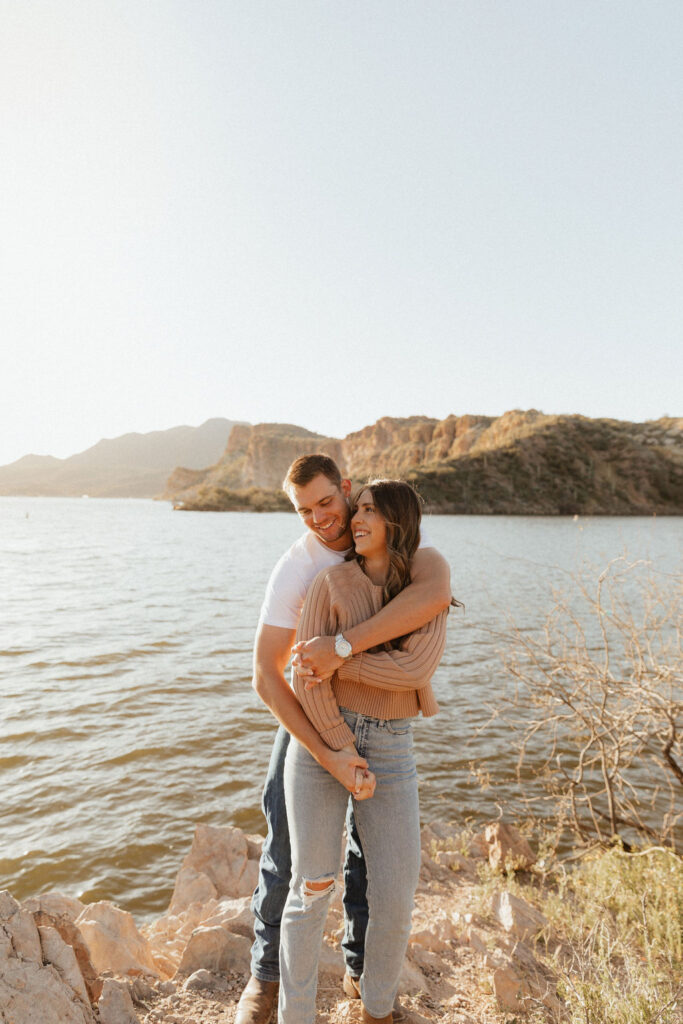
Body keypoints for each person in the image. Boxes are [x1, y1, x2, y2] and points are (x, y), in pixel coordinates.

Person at [237, 455, 451, 1024]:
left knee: (375, 869)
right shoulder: (303, 570)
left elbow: (420, 628)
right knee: (291, 856)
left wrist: (339, 653)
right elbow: (269, 674)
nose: (320, 518)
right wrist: (328, 748)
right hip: (307, 720)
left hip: (382, 732)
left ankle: (362, 977)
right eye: (304, 510)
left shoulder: (411, 562)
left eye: (327, 503)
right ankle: (266, 980)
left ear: (348, 492)